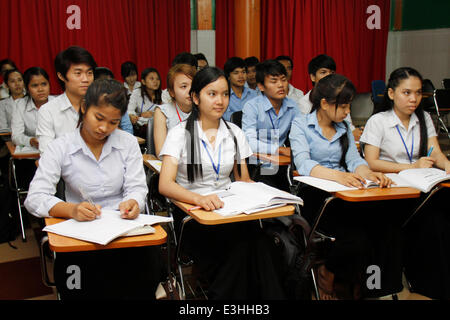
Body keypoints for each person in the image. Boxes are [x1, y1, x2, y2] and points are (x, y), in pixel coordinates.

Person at [24, 79, 162, 299]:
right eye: (99, 118)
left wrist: (133, 202)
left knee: (143, 278)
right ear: (84, 108)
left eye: (113, 122)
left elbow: (137, 187)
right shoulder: (61, 147)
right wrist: (71, 210)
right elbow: (34, 198)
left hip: (123, 231)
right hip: (81, 235)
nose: (103, 128)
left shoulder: (127, 143)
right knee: (76, 286)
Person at [158, 66, 285, 299]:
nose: (220, 101)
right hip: (194, 215)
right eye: (212, 94)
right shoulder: (179, 134)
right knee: (243, 247)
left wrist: (264, 197)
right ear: (196, 98)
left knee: (262, 244)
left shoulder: (235, 132)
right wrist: (200, 198)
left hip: (230, 211)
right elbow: (165, 185)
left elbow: (243, 180)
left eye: (225, 94)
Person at [289, 73, 396, 300]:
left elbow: (354, 160)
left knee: (384, 225)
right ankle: (332, 272)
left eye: (349, 105)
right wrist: (337, 176)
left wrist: (370, 174)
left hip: (345, 191)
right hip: (316, 193)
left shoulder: (343, 126)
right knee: (356, 234)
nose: (348, 111)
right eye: (344, 106)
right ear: (325, 104)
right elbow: (303, 163)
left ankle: (370, 285)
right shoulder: (301, 124)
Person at [360, 67, 450, 299]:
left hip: (420, 185)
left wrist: (446, 164)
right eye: (406, 93)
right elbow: (371, 162)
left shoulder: (424, 118)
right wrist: (411, 167)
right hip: (389, 189)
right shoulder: (378, 121)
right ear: (391, 93)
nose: (413, 99)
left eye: (418, 93)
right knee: (389, 228)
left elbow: (435, 152)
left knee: (438, 221)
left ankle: (431, 285)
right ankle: (384, 287)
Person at [241, 59, 300, 191]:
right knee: (274, 191)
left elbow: (302, 133)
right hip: (258, 165)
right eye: (274, 81)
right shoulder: (252, 106)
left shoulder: (292, 106)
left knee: (299, 190)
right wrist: (278, 149)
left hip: (283, 164)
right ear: (261, 86)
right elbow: (248, 141)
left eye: (284, 80)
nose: (281, 85)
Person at [36, 46, 97, 154]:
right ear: (61, 76)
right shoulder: (48, 111)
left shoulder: (100, 105)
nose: (86, 79)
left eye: (89, 73)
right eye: (78, 73)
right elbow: (47, 154)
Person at [298, 54, 363, 141]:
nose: (329, 76)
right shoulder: (304, 102)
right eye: (323, 72)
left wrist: (356, 132)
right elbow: (310, 135)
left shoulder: (340, 97)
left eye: (332, 73)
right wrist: (349, 135)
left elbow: (348, 125)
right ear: (313, 77)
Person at [153, 64, 196, 156]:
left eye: (193, 86)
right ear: (172, 92)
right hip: (173, 165)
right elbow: (161, 152)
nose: (190, 91)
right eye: (184, 86)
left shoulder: (203, 109)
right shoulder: (162, 112)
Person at [94, 66, 133, 135]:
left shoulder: (119, 102)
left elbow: (128, 130)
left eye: (110, 83)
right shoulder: (89, 104)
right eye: (103, 84)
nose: (108, 88)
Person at [127, 68, 162, 137]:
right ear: (143, 82)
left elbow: (167, 112)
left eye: (157, 79)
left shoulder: (163, 94)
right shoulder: (137, 93)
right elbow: (130, 110)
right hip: (141, 128)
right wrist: (132, 116)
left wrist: (153, 114)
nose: (155, 81)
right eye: (152, 79)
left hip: (158, 127)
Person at [222, 57, 258, 121]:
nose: (241, 76)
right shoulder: (224, 95)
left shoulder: (254, 94)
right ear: (228, 76)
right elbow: (227, 118)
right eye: (236, 73)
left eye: (243, 72)